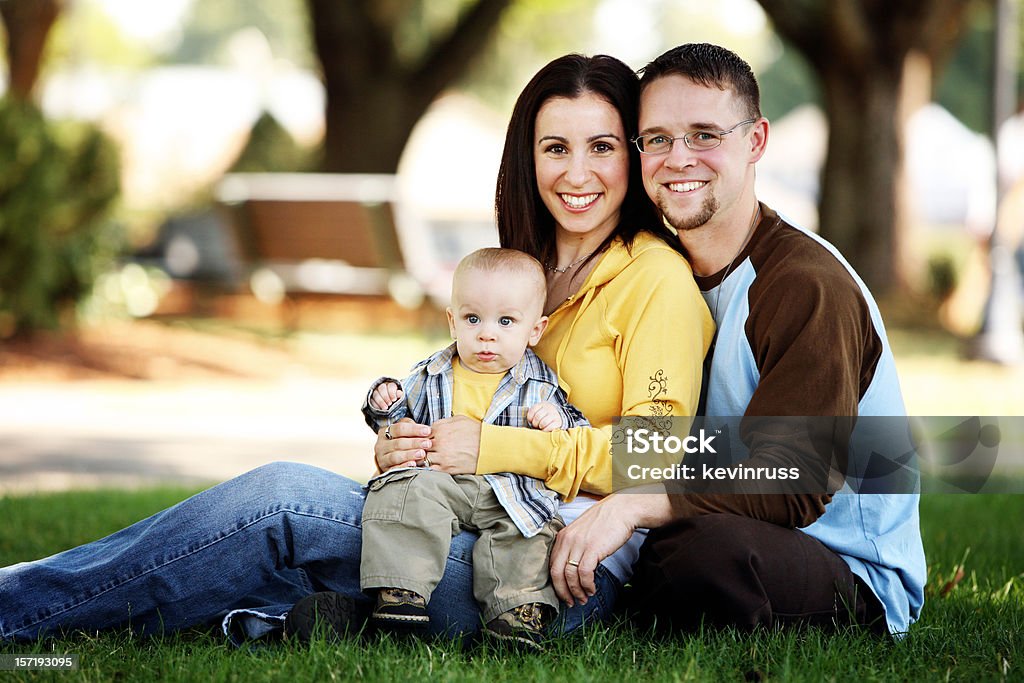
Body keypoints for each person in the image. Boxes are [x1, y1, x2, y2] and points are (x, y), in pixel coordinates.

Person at [0, 53, 713, 645]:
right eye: (555, 147)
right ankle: (268, 615)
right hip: (455, 522)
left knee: (280, 504)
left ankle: (18, 607)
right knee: (281, 540)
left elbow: (658, 451)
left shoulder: (656, 280)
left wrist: (492, 448)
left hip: (548, 573)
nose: (577, 172)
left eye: (602, 147)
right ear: (528, 157)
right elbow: (459, 396)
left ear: (634, 155)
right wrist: (408, 443)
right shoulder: (520, 270)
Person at [544, 43, 927, 637]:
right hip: (715, 517)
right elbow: (658, 440)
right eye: (658, 138)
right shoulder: (662, 273)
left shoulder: (804, 285)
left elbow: (794, 480)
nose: (678, 158)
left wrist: (633, 504)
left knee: (698, 554)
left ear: (755, 142)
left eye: (704, 135)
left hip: (842, 564)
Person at [360, 247, 590, 649]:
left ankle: (515, 613)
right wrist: (384, 404)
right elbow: (399, 420)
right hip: (442, 483)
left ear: (535, 330)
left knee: (528, 532)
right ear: (452, 321)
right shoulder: (430, 372)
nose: (487, 333)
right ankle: (400, 590)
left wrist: (558, 422)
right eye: (472, 318)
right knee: (405, 493)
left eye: (506, 321)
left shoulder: (542, 385)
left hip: (511, 491)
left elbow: (578, 431)